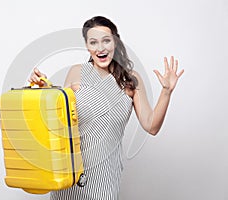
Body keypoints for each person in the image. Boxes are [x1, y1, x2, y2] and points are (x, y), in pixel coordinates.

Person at [29, 16, 184, 200]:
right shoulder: (76, 72)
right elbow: (59, 122)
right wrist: (44, 90)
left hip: (104, 179)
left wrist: (166, 91)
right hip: (70, 177)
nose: (100, 48)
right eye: (93, 42)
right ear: (87, 46)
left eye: (106, 41)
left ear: (115, 42)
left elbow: (152, 126)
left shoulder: (130, 80)